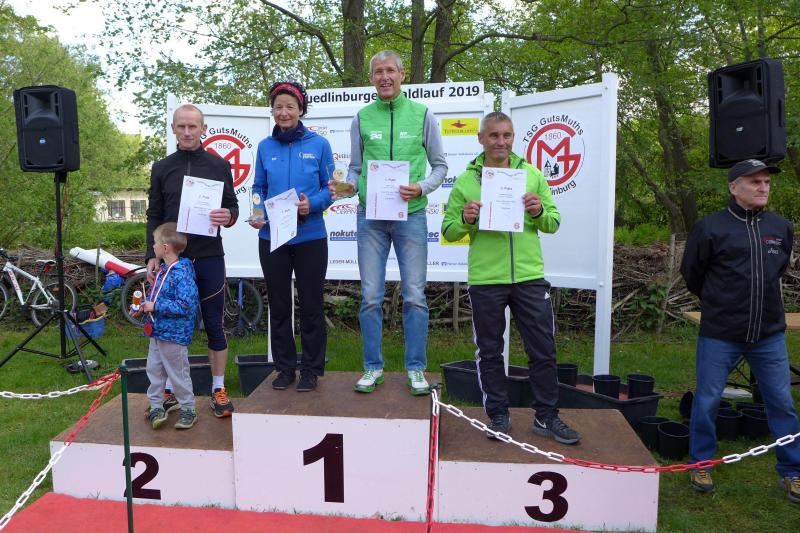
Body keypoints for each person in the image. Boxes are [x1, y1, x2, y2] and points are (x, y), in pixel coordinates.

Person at [441, 112, 580, 444]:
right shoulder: (466, 181)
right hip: (487, 278)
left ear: (513, 137)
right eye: (493, 135)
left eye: (506, 135)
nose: (500, 142)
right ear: (481, 139)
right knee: (490, 352)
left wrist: (538, 211)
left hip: (529, 276)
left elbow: (553, 223)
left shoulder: (531, 174)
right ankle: (498, 415)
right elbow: (448, 230)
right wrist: (466, 219)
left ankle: (546, 416)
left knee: (543, 350)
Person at [329, 50, 447, 396]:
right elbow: (355, 168)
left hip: (412, 215)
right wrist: (349, 187)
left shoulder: (423, 114)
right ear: (371, 78)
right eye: (378, 72)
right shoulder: (362, 117)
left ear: (402, 74)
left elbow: (440, 166)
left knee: (415, 296)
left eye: (390, 71)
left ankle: (416, 368)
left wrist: (421, 187)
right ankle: (372, 367)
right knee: (370, 296)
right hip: (371, 217)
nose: (384, 77)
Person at [680, 158, 799, 502]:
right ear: (734, 187)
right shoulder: (710, 228)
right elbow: (692, 274)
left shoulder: (780, 227)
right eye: (755, 182)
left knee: (782, 402)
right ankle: (701, 463)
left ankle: (792, 470)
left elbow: (778, 270)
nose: (763, 187)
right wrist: (721, 303)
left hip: (768, 335)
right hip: (720, 333)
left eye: (767, 182)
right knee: (707, 401)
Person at [146, 104, 239, 418]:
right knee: (168, 325)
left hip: (209, 255)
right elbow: (154, 214)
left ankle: (218, 388)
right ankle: (170, 391)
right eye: (181, 126)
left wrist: (228, 217)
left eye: (193, 126)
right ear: (173, 128)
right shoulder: (162, 167)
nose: (187, 132)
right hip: (174, 260)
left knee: (213, 323)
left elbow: (232, 208)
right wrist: (151, 255)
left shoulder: (219, 165)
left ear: (203, 129)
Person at [249, 81, 334, 392]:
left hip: (310, 236)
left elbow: (331, 189)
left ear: (301, 110)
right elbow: (258, 187)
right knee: (279, 304)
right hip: (273, 236)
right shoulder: (264, 147)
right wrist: (257, 212)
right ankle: (284, 368)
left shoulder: (319, 145)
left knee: (311, 305)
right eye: (278, 107)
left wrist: (314, 203)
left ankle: (311, 369)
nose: (283, 112)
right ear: (272, 111)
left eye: (290, 107)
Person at [140, 223, 200, 430]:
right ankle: (156, 406)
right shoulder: (163, 270)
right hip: (157, 332)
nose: (153, 246)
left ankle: (188, 409)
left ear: (165, 248)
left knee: (178, 373)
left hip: (174, 335)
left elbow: (186, 305)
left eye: (155, 243)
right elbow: (156, 296)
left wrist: (155, 306)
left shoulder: (182, 273)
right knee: (154, 370)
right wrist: (144, 306)